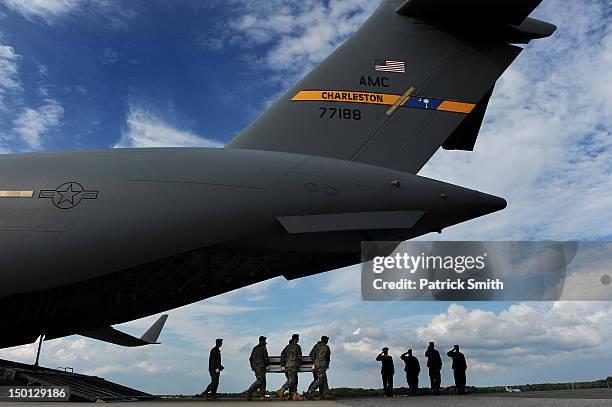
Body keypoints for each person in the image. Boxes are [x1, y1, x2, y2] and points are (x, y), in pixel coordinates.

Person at [277, 334, 303, 400]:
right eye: (298, 338)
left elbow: (282, 356)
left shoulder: (287, 347)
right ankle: (281, 390)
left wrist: (282, 365)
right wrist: (298, 365)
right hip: (293, 366)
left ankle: (294, 395)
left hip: (287, 366)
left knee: (295, 380)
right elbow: (300, 358)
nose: (298, 340)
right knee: (292, 380)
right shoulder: (297, 347)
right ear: (296, 339)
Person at [304, 336, 331, 400]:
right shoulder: (326, 347)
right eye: (327, 340)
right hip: (322, 365)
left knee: (323, 379)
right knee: (321, 379)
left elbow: (311, 354)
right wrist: (326, 364)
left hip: (316, 365)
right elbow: (327, 358)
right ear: (325, 340)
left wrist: (315, 361)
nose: (327, 341)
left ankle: (326, 394)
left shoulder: (316, 346)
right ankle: (310, 391)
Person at [246, 336, 270, 401]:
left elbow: (250, 358)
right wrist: (267, 365)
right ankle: (249, 391)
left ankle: (262, 396)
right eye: (264, 341)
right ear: (262, 341)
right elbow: (265, 358)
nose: (265, 342)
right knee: (260, 381)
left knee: (263, 381)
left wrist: (253, 366)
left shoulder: (255, 348)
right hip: (261, 367)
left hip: (256, 367)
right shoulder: (263, 348)